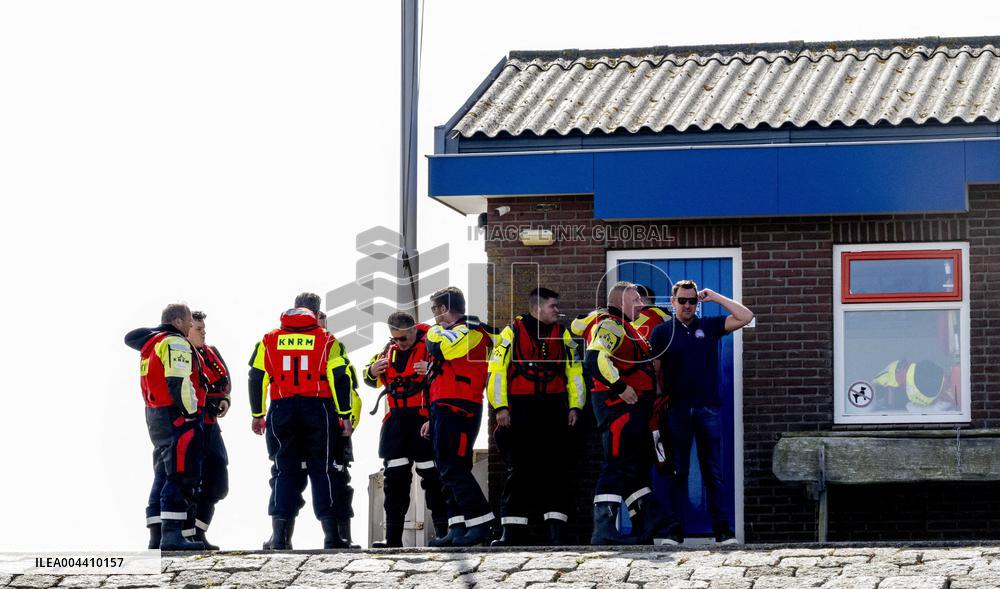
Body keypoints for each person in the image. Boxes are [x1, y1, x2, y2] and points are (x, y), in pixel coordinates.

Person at [649, 279, 753, 545]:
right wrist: (659, 402)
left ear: (697, 303)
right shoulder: (661, 332)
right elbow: (656, 371)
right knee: (677, 472)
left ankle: (722, 531)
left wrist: (715, 296)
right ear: (672, 303)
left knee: (712, 472)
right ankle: (675, 531)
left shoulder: (709, 326)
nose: (687, 305)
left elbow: (746, 316)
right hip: (677, 411)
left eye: (692, 301)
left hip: (708, 409)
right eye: (682, 300)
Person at [248, 294, 355, 550]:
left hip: (281, 408)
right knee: (324, 469)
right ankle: (332, 536)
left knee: (284, 471)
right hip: (318, 408)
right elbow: (341, 378)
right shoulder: (327, 340)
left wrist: (257, 414)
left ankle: (281, 538)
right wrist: (345, 414)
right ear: (317, 314)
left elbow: (256, 376)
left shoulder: (269, 339)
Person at [487, 287, 585, 546]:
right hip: (520, 409)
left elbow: (574, 372)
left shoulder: (563, 335)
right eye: (553, 306)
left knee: (556, 470)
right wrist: (501, 407)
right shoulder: (511, 333)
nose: (557, 311)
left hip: (554, 409)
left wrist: (576, 406)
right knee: (518, 470)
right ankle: (511, 532)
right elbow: (496, 371)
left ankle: (556, 532)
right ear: (537, 308)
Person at [576, 281, 664, 545]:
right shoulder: (611, 325)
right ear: (621, 302)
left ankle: (646, 525)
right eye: (636, 300)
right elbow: (594, 359)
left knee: (632, 468)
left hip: (635, 410)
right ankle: (603, 530)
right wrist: (621, 387)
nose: (641, 305)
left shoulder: (628, 327)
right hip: (618, 409)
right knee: (615, 464)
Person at [364, 311, 449, 547]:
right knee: (394, 482)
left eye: (404, 338)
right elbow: (367, 377)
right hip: (395, 424)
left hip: (422, 420)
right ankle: (392, 540)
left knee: (433, 479)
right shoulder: (387, 350)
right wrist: (372, 371)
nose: (400, 343)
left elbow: (449, 371)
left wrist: (431, 366)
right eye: (395, 338)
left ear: (413, 330)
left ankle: (444, 534)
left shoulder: (432, 344)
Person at [124, 303, 204, 550]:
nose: (191, 325)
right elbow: (178, 382)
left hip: (155, 415)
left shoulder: (150, 344)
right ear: (178, 321)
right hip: (175, 417)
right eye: (189, 320)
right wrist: (190, 414)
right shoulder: (174, 342)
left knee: (162, 472)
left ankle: (156, 535)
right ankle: (171, 536)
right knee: (178, 473)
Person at [423, 286, 497, 546]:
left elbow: (444, 350)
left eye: (434, 309)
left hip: (460, 405)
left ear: (444, 309)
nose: (433, 316)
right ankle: (457, 526)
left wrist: (434, 331)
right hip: (442, 405)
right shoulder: (454, 331)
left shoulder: (470, 331)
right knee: (446, 468)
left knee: (453, 467)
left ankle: (481, 522)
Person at [183, 311, 231, 550]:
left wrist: (225, 400)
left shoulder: (211, 352)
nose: (203, 333)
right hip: (191, 424)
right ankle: (187, 535)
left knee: (219, 483)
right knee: (190, 481)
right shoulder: (181, 353)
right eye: (198, 329)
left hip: (211, 424)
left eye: (204, 329)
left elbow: (225, 382)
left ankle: (198, 532)